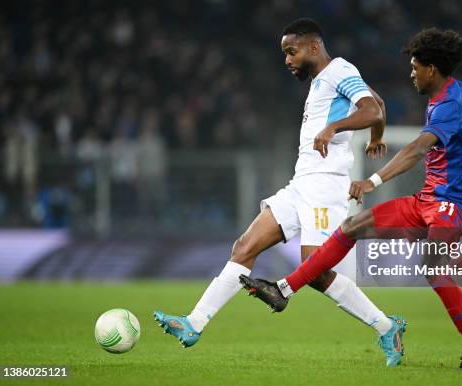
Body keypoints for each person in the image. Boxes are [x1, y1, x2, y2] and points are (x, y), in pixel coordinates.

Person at [154, 18, 407, 368]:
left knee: (314, 271)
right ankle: (193, 323)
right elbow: (375, 101)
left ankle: (386, 326)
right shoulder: (324, 80)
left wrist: (336, 126)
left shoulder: (338, 70)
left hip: (325, 185)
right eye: (285, 53)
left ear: (313, 47)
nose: (287, 60)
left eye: (291, 51)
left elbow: (372, 107)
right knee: (244, 246)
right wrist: (377, 135)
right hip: (301, 183)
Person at [241, 28, 462, 370]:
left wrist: (373, 180)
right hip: (429, 199)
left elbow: (418, 149)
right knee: (351, 226)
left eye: (416, 67)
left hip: (453, 204)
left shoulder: (448, 103)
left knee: (433, 268)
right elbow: (386, 112)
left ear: (432, 69)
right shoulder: (449, 94)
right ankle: (284, 290)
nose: (411, 73)